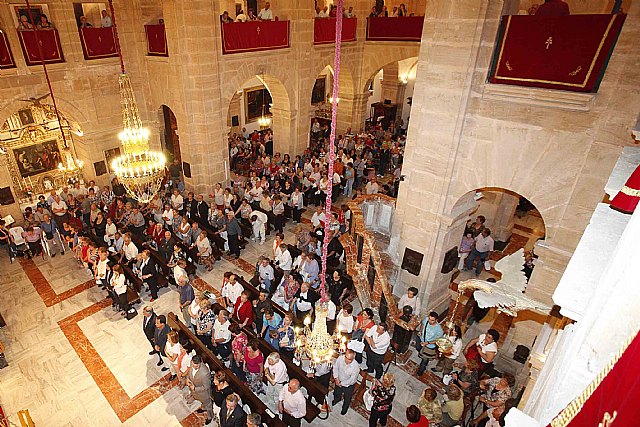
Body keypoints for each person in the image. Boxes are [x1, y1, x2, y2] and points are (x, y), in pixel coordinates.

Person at [186, 355, 213, 425]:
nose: (194, 368)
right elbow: (189, 373)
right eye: (193, 366)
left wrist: (195, 388)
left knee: (208, 406)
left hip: (203, 394)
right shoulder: (191, 363)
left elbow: (207, 386)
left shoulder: (205, 373)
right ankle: (203, 408)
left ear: (201, 363)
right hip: (195, 391)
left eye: (196, 367)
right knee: (202, 403)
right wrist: (187, 379)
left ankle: (210, 417)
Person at [331, 349, 360, 415]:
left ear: (353, 358)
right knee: (336, 392)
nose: (347, 360)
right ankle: (336, 400)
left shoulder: (356, 367)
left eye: (349, 359)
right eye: (346, 357)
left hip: (349, 385)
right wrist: (336, 378)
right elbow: (335, 368)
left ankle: (345, 408)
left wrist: (341, 383)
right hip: (339, 380)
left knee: (347, 398)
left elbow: (352, 380)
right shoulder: (340, 358)